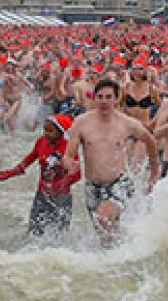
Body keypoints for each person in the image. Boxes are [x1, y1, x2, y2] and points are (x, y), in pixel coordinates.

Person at [62, 79, 161, 248]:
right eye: (100, 96)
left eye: (108, 97)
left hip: (119, 183)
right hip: (92, 186)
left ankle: (117, 256)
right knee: (103, 234)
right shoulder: (81, 122)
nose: (104, 101)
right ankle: (118, 260)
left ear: (116, 99)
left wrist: (154, 170)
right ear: (94, 98)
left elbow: (150, 141)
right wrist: (69, 163)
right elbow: (68, 154)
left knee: (103, 220)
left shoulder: (127, 123)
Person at [5, 114, 82, 237]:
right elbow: (32, 156)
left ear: (60, 132)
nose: (46, 133)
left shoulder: (69, 148)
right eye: (44, 129)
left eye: (50, 131)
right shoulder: (41, 141)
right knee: (34, 231)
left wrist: (60, 184)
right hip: (42, 194)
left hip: (61, 198)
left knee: (59, 235)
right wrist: (17, 169)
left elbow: (77, 174)